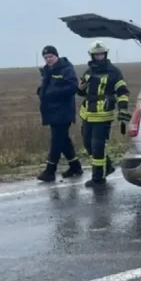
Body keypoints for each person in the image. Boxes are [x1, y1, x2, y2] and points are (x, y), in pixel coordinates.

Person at [77, 40, 132, 188]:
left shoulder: (113, 71)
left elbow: (123, 92)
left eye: (101, 54)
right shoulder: (88, 71)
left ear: (105, 54)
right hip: (87, 114)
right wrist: (80, 89)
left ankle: (98, 179)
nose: (99, 56)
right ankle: (107, 167)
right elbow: (82, 92)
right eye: (96, 54)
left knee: (98, 147)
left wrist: (123, 110)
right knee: (88, 145)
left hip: (103, 115)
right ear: (92, 56)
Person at [36, 45, 82, 182]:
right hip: (51, 110)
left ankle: (50, 171)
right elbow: (47, 85)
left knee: (56, 141)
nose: (48, 59)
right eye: (45, 57)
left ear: (56, 56)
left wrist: (51, 93)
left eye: (50, 56)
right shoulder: (47, 71)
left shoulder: (66, 69)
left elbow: (72, 87)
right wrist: (41, 91)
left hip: (63, 111)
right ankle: (75, 166)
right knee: (63, 140)